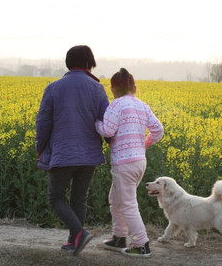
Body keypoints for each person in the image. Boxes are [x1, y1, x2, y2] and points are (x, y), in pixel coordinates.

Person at [35, 45, 109, 256]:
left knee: (56, 198)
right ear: (89, 63)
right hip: (89, 155)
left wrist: (40, 148)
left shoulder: (53, 88)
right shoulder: (97, 89)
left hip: (63, 152)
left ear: (68, 62)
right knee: (79, 199)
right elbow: (107, 121)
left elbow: (43, 122)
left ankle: (79, 234)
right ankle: (74, 241)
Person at [95, 68, 164, 258]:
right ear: (133, 87)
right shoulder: (142, 105)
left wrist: (96, 123)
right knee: (116, 199)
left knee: (126, 203)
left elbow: (107, 131)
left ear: (113, 88)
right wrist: (144, 144)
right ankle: (119, 238)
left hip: (124, 163)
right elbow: (158, 130)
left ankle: (141, 244)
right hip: (139, 161)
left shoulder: (116, 105)